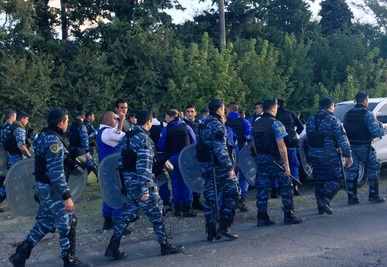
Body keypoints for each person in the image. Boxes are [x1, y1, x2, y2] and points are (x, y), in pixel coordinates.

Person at [9, 108, 92, 267]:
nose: (68, 123)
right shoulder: (54, 142)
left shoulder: (44, 136)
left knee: (46, 222)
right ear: (60, 122)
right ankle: (69, 260)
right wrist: (66, 196)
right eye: (66, 121)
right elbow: (55, 173)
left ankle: (20, 255)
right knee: (68, 222)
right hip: (52, 189)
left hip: (43, 187)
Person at [104, 109, 184, 260]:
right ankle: (165, 245)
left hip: (129, 181)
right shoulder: (143, 139)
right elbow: (144, 166)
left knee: (127, 213)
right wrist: (144, 188)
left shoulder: (128, 136)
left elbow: (121, 161)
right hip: (142, 183)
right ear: (148, 122)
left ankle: (113, 246)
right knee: (157, 211)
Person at [252, 99, 303, 226]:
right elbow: (281, 146)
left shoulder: (256, 123)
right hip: (275, 160)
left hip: (261, 159)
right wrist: (286, 166)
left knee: (262, 188)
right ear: (273, 108)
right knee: (286, 185)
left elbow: (253, 144)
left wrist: (259, 156)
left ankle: (262, 217)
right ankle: (288, 215)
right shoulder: (276, 123)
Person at [196, 98, 239, 241]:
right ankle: (224, 226)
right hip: (219, 167)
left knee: (210, 198)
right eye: (223, 108)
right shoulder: (218, 126)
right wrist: (229, 168)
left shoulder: (201, 124)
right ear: (219, 109)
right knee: (233, 193)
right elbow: (220, 149)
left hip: (206, 166)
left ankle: (211, 231)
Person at [306, 97, 353, 215]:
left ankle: (320, 206)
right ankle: (325, 199)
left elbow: (308, 138)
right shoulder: (333, 120)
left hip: (314, 154)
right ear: (331, 106)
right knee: (337, 179)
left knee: (320, 180)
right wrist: (348, 155)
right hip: (329, 155)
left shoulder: (311, 119)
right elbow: (342, 139)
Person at [343, 91, 387, 205]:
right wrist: (384, 130)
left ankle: (351, 197)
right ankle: (373, 195)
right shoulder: (368, 114)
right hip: (364, 146)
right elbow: (375, 131)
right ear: (365, 100)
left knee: (352, 171)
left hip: (351, 146)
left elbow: (344, 130)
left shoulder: (347, 114)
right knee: (374, 167)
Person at [158, 109, 197, 217]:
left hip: (172, 159)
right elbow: (194, 142)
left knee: (175, 183)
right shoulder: (187, 127)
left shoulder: (166, 129)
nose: (165, 119)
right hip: (185, 158)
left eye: (166, 117)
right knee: (186, 182)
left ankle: (177, 208)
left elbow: (160, 145)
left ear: (171, 117)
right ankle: (187, 208)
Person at [96, 111, 127, 231]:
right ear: (108, 120)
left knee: (108, 194)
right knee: (118, 194)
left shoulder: (101, 132)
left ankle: (108, 220)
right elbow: (126, 136)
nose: (117, 121)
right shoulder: (109, 132)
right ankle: (119, 223)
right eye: (115, 119)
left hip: (105, 168)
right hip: (114, 169)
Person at [226, 102, 252, 212]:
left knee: (232, 177)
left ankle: (232, 199)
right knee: (244, 176)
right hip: (243, 151)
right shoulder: (244, 121)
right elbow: (249, 137)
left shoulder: (224, 121)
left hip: (229, 154)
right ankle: (241, 199)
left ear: (228, 109)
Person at [276, 99, 304, 196]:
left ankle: (280, 187)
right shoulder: (291, 113)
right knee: (293, 163)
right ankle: (295, 185)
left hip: (279, 142)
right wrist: (295, 134)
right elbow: (301, 127)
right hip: (291, 141)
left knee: (280, 165)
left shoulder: (274, 115)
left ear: (277, 105)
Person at [149, 108, 172, 215]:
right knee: (163, 180)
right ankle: (166, 201)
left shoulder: (144, 127)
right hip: (162, 157)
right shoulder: (164, 126)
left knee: (148, 182)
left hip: (148, 158)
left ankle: (152, 204)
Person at [183, 104, 204, 210]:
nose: (190, 113)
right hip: (187, 156)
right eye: (188, 111)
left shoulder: (200, 124)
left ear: (195, 113)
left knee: (198, 178)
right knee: (188, 178)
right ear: (185, 113)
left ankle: (197, 200)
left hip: (198, 155)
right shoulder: (182, 124)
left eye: (192, 111)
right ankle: (188, 202)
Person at [0, 109, 16, 212]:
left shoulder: (3, 126)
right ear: (12, 116)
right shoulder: (10, 128)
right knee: (5, 179)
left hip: (2, 155)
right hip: (4, 156)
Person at [83, 111, 98, 177]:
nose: (94, 118)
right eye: (93, 116)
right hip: (88, 149)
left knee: (90, 165)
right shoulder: (88, 126)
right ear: (89, 116)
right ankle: (100, 178)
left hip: (83, 149)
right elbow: (93, 138)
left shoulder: (82, 124)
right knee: (92, 165)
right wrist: (97, 146)